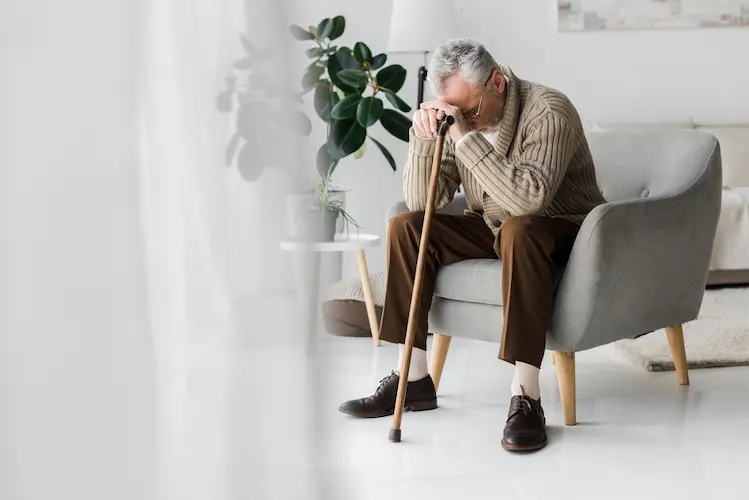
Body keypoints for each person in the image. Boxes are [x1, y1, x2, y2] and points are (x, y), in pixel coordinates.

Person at [338, 38, 606, 452]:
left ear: (496, 82)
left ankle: (527, 396)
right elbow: (423, 201)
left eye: (469, 109)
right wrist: (426, 139)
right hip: (495, 226)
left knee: (521, 229)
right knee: (406, 225)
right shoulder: (462, 117)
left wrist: (463, 137)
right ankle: (412, 379)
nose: (462, 119)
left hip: (564, 231)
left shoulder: (550, 111)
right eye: (452, 110)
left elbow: (528, 201)